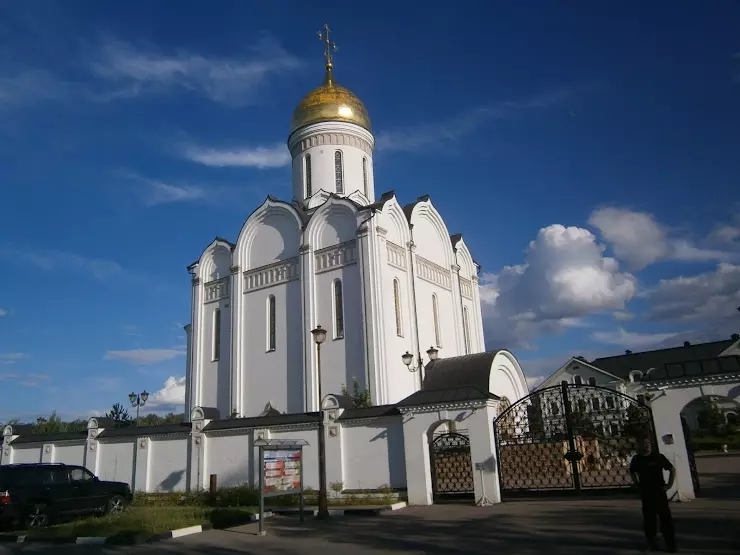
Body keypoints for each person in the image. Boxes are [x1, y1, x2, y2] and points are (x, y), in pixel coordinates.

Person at [629, 438, 677, 552]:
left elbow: (672, 469)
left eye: (648, 444)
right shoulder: (637, 459)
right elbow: (632, 471)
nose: (647, 446)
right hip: (646, 493)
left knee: (665, 519)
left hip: (659, 492)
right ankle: (652, 544)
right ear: (639, 446)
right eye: (644, 444)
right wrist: (636, 484)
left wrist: (669, 485)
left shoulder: (658, 457)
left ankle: (671, 544)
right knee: (649, 521)